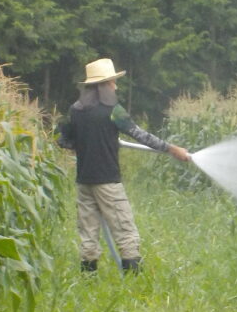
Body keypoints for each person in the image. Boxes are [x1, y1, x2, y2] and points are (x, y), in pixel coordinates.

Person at [57, 58, 190, 274]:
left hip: (84, 182)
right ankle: (133, 283)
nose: (115, 87)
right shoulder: (113, 111)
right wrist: (171, 149)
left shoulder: (76, 110)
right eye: (112, 82)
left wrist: (88, 143)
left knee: (88, 235)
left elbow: (62, 140)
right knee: (125, 231)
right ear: (103, 85)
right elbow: (140, 135)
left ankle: (88, 281)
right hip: (108, 182)